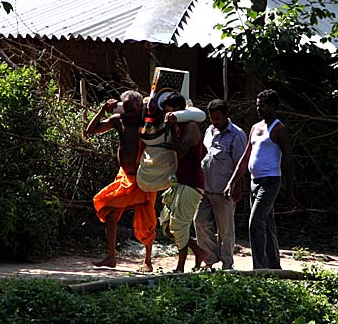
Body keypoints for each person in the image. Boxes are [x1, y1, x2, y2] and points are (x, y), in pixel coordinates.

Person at [84, 90, 157, 271]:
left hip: (143, 178)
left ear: (140, 107)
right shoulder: (119, 120)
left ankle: (147, 261)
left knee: (146, 220)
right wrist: (102, 110)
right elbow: (90, 131)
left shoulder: (147, 121)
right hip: (124, 177)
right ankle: (111, 257)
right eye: (127, 111)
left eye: (133, 111)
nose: (130, 115)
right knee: (109, 211)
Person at [226, 89, 296, 270]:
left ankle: (259, 268)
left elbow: (288, 161)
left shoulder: (279, 129)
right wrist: (233, 181)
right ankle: (274, 266)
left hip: (271, 182)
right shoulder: (255, 128)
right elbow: (245, 157)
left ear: (272, 107)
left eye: (262, 106)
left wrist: (290, 193)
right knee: (267, 223)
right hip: (255, 182)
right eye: (257, 105)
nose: (258, 109)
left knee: (255, 222)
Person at [158, 94, 210, 273]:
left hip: (191, 183)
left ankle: (180, 267)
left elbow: (181, 152)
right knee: (166, 225)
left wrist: (172, 129)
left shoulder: (191, 127)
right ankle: (198, 251)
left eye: (168, 110)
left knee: (179, 225)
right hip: (180, 181)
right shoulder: (180, 127)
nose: (165, 113)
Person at [194, 99, 246, 270]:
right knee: (199, 221)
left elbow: (241, 163)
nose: (214, 122)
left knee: (225, 230)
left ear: (227, 115)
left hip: (224, 191)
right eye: (212, 118)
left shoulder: (237, 135)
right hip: (205, 189)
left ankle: (227, 265)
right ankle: (210, 258)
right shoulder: (209, 130)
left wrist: (236, 187)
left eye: (217, 118)